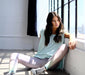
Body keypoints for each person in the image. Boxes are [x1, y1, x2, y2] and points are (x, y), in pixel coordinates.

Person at [7, 12, 76, 75]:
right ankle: (11, 72)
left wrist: (72, 39)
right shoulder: (43, 32)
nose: (56, 23)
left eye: (58, 20)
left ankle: (43, 69)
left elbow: (70, 35)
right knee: (14, 55)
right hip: (38, 60)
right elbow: (42, 44)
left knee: (64, 46)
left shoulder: (62, 33)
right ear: (49, 22)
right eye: (54, 21)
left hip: (52, 62)